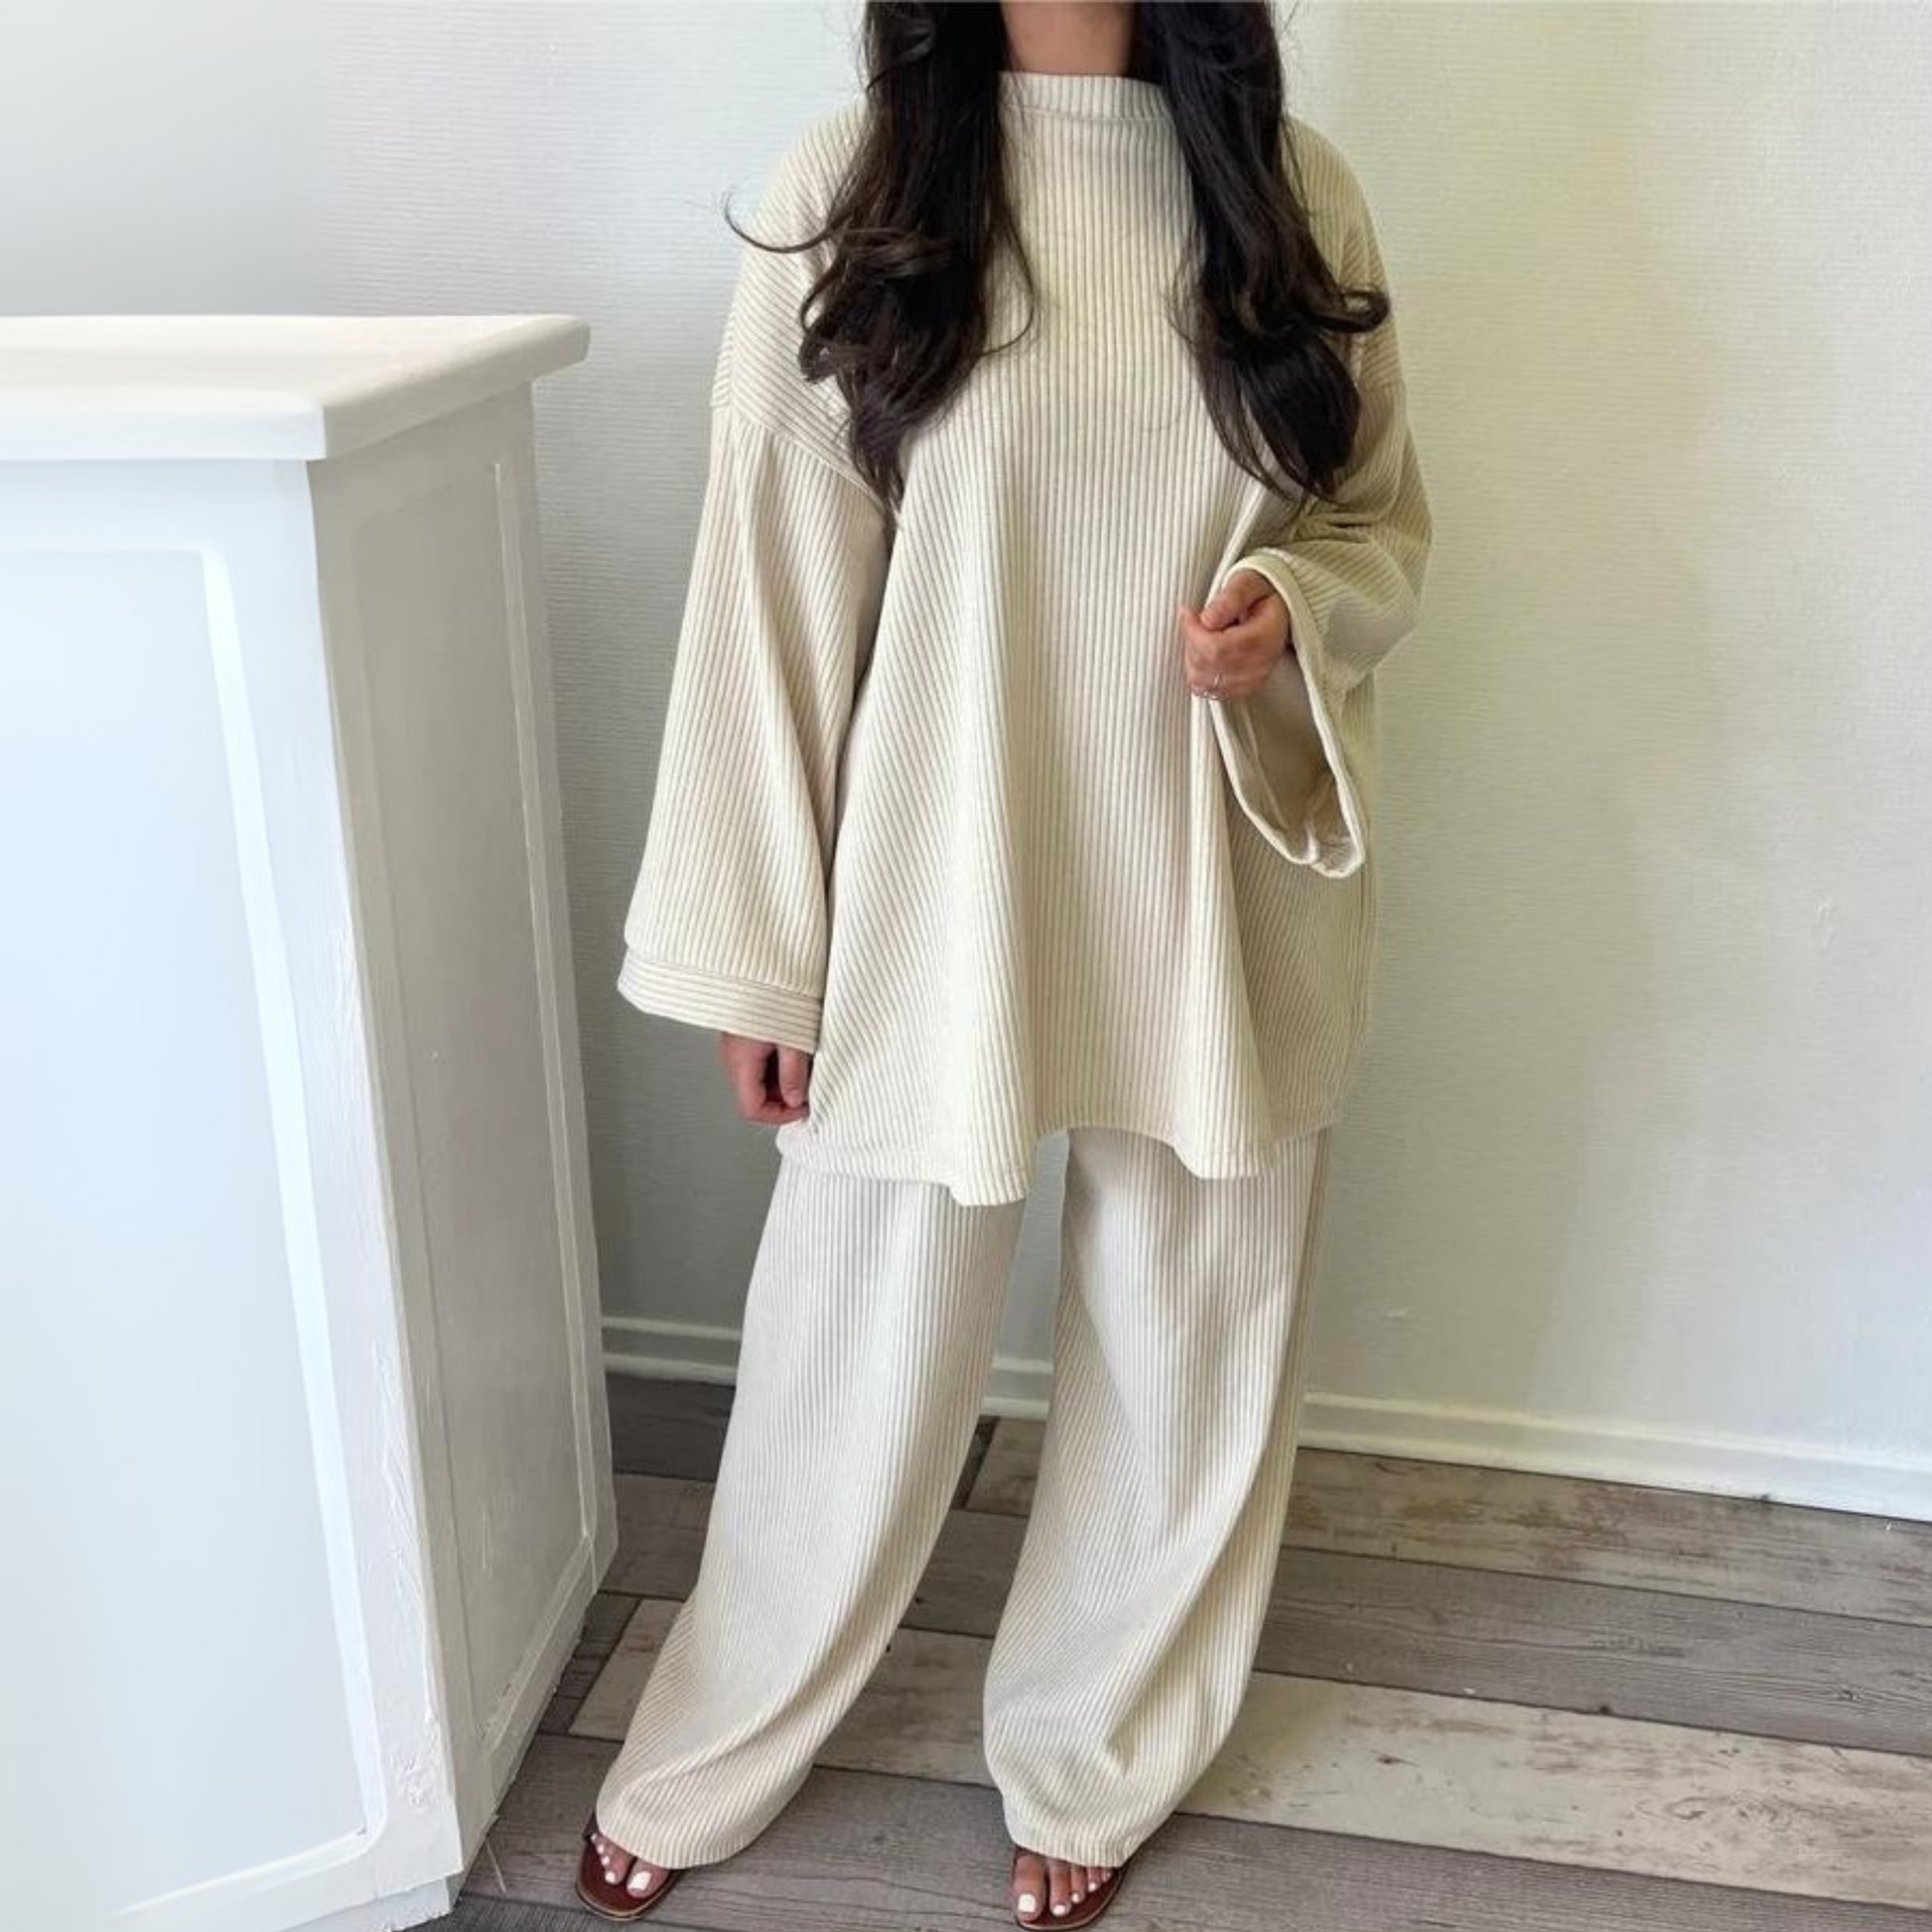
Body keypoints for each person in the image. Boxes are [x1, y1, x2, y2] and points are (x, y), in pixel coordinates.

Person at [581, 1, 1432, 1923]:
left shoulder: (1287, 197)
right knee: (857, 1323)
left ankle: (1097, 1741)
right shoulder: (862, 190)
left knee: (1192, 1311)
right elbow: (772, 589)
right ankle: (720, 1727)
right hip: (934, 868)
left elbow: (1379, 522)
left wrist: (1291, 606)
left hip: (1211, 859)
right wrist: (758, 954)